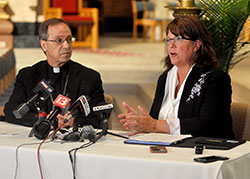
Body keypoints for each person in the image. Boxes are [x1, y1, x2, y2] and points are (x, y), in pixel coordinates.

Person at [118, 16, 234, 139]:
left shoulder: (215, 78)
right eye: (168, 40)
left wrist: (154, 125)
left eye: (178, 39)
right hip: (169, 149)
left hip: (207, 151)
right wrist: (142, 123)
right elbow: (154, 121)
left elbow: (207, 126)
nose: (171, 45)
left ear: (196, 45)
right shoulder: (165, 78)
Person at [4, 18, 105, 128]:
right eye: (59, 40)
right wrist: (42, 120)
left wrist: (75, 122)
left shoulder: (89, 77)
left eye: (69, 39)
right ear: (44, 45)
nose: (66, 46)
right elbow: (11, 111)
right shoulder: (28, 76)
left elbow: (101, 117)